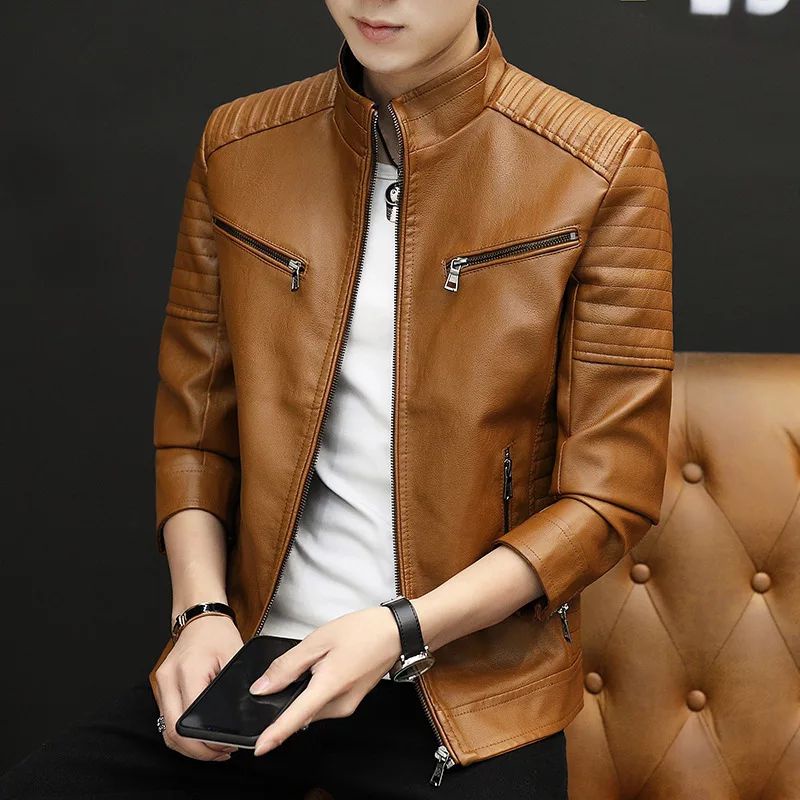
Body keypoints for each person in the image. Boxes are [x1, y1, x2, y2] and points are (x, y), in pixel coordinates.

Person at [0, 1, 674, 798]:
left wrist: (398, 630)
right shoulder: (240, 144)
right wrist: (199, 614)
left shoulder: (598, 163)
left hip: (464, 690)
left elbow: (607, 499)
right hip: (255, 665)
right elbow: (195, 430)